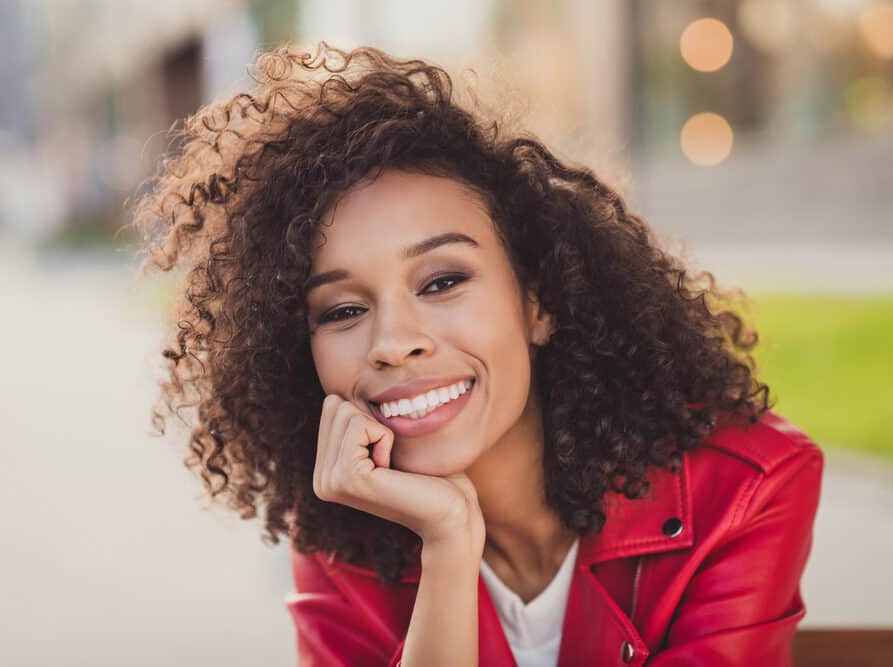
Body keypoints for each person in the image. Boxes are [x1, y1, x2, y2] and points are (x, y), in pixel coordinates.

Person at [132, 42, 824, 666]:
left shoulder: (747, 489)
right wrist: (449, 545)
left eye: (441, 281)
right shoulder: (338, 534)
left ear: (538, 302)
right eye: (343, 310)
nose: (394, 342)